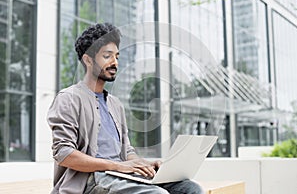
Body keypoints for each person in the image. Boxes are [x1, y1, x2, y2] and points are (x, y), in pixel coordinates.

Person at [47, 23, 204, 194]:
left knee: (190, 189)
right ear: (88, 60)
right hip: (91, 179)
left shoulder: (115, 104)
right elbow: (64, 154)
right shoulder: (68, 98)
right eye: (107, 56)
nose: (115, 62)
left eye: (117, 56)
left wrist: (143, 164)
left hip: (121, 175)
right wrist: (119, 166)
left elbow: (126, 151)